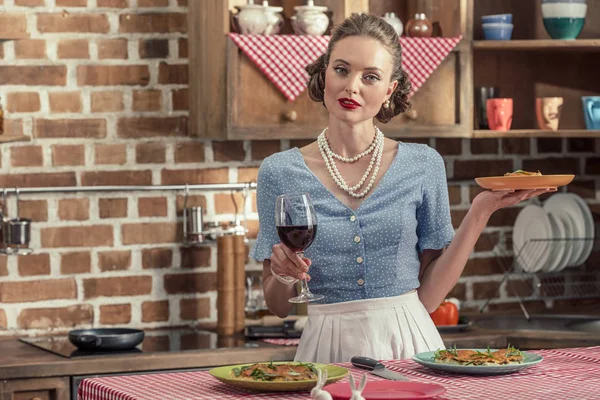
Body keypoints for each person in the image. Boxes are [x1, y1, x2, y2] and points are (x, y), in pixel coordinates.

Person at [249, 13, 554, 363]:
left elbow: (428, 298)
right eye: (341, 70)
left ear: (390, 89)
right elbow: (277, 308)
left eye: (371, 77)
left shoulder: (422, 164)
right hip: (325, 349)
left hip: (411, 343)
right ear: (324, 73)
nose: (352, 87)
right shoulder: (279, 171)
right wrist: (284, 276)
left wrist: (481, 209)